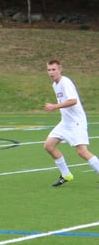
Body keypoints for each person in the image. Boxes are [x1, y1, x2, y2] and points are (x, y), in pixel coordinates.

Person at [43, 59, 99, 187]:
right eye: (49, 70)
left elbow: (73, 101)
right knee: (49, 145)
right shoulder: (55, 85)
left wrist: (54, 106)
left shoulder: (65, 82)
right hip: (65, 123)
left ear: (60, 69)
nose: (51, 72)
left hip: (76, 123)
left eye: (54, 69)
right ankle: (66, 174)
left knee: (82, 152)